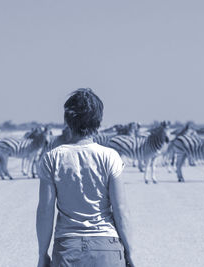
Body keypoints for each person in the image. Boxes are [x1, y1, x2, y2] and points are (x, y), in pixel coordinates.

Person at [36, 88, 134, 267]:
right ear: (98, 121)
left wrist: (42, 254)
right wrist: (129, 251)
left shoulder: (52, 158)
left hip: (67, 248)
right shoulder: (110, 156)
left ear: (67, 120)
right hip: (107, 248)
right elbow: (121, 210)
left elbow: (45, 211)